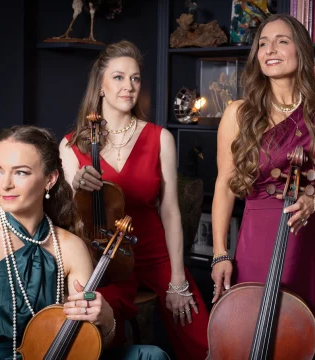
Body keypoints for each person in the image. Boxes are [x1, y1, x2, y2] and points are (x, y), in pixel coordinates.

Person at [0, 125, 167, 359]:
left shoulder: (70, 247)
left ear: (50, 179)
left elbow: (86, 344)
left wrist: (106, 320)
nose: (5, 185)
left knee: (152, 356)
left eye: (21, 172)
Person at [60, 40, 209, 360]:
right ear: (99, 85)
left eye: (135, 78)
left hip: (155, 251)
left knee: (199, 333)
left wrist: (178, 277)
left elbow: (169, 211)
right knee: (99, 333)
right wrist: (76, 186)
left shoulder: (160, 138)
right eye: (118, 77)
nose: (129, 86)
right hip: (103, 255)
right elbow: (70, 215)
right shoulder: (71, 144)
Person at [210, 14, 315, 359]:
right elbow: (224, 186)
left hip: (305, 241)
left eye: (282, 41)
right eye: (263, 43)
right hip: (257, 237)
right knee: (252, 333)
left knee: (301, 338)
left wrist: (313, 201)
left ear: (300, 51)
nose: (270, 49)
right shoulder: (238, 113)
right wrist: (220, 252)